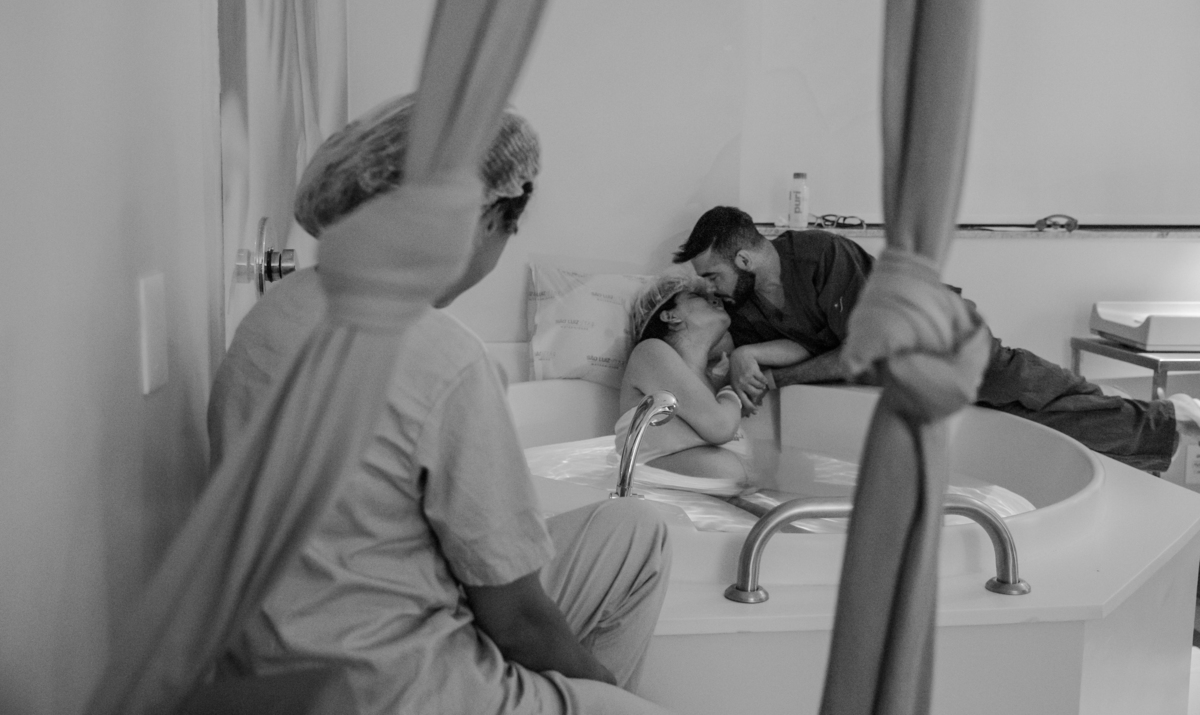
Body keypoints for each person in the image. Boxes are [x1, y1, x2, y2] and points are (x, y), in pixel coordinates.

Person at [208, 94, 674, 715]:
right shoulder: (443, 358)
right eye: (508, 230)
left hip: (280, 659)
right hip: (398, 689)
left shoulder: (273, 315)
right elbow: (516, 621)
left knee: (635, 528)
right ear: (479, 221)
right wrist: (601, 688)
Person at [674, 205, 1200, 474]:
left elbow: (859, 349)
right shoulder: (745, 302)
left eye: (713, 275)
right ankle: (1158, 423)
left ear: (744, 258)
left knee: (1034, 391)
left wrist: (777, 374)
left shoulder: (820, 256)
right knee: (1036, 416)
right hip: (900, 368)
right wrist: (750, 354)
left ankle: (1169, 420)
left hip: (940, 337)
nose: (711, 288)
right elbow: (807, 342)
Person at [618, 275, 754, 490]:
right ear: (670, 316)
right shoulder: (650, 352)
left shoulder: (711, 387)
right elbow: (720, 427)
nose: (716, 300)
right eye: (696, 296)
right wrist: (731, 389)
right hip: (653, 503)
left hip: (713, 506)